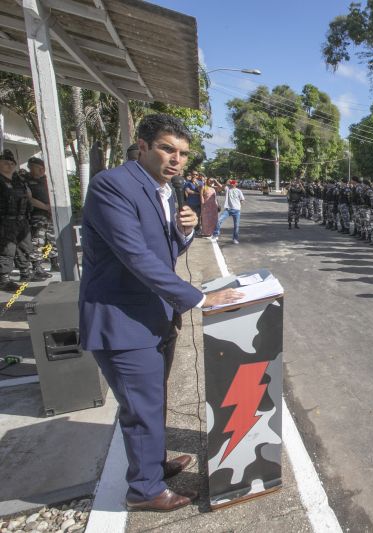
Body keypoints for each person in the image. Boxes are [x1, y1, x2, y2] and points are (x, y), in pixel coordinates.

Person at [79, 114, 242, 512]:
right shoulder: (113, 185)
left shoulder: (165, 192)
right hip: (122, 322)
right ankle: (144, 490)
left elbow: (162, 253)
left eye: (183, 153)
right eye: (168, 149)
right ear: (144, 145)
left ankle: (153, 465)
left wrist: (184, 232)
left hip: (153, 317)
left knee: (152, 402)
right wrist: (198, 298)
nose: (177, 160)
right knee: (141, 409)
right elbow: (134, 256)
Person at [0, 149, 36, 291]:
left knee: (25, 247)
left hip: (21, 219)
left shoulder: (19, 180)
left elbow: (28, 197)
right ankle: (4, 279)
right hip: (5, 221)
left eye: (11, 163)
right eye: (5, 163)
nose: (9, 166)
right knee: (7, 250)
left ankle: (25, 273)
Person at [24, 157, 57, 277]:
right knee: (38, 241)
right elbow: (29, 199)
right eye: (34, 167)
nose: (40, 170)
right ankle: (37, 266)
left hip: (50, 215)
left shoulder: (46, 180)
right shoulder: (26, 181)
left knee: (52, 239)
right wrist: (45, 207)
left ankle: (54, 262)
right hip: (37, 215)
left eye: (41, 168)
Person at [212, 179, 245, 243]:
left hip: (236, 210)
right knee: (219, 221)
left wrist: (240, 205)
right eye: (231, 183)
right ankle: (216, 235)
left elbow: (242, 199)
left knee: (236, 225)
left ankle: (235, 239)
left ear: (236, 184)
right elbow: (221, 187)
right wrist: (226, 182)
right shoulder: (227, 189)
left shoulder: (239, 191)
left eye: (233, 183)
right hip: (228, 209)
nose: (232, 184)